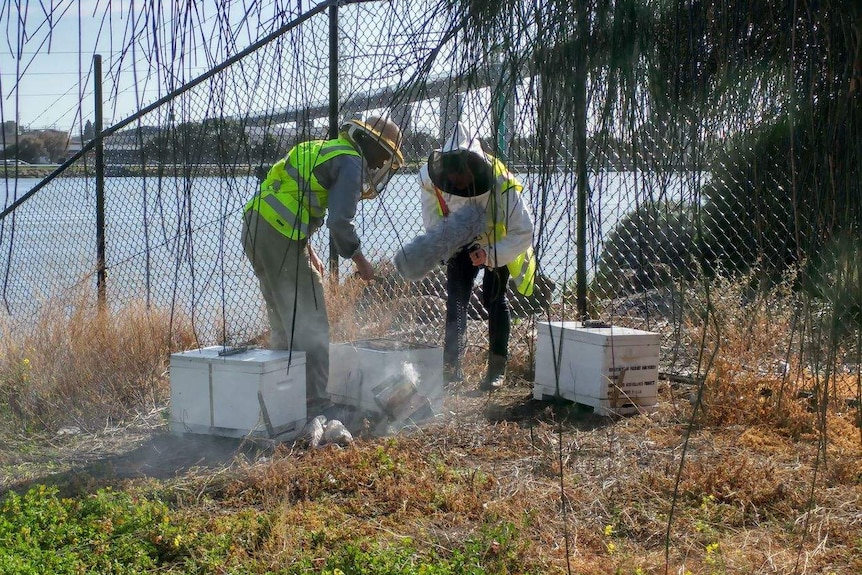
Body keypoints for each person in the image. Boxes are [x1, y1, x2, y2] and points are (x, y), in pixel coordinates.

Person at [242, 116, 403, 412]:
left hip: (256, 228)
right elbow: (340, 223)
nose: (380, 165)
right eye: (383, 156)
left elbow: (291, 195)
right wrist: (361, 262)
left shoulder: (324, 148)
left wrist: (306, 247)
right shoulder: (352, 162)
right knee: (311, 318)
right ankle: (315, 402)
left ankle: (282, 400)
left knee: (283, 318)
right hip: (279, 233)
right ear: (370, 143)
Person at [418, 122, 536, 390]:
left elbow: (524, 231)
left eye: (463, 176)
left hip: (498, 239)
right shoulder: (430, 177)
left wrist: (490, 255)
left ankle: (496, 369)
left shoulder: (502, 182)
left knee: (493, 297)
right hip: (459, 236)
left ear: (474, 166)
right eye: (453, 178)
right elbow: (432, 219)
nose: (458, 183)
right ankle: (451, 370)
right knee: (456, 299)